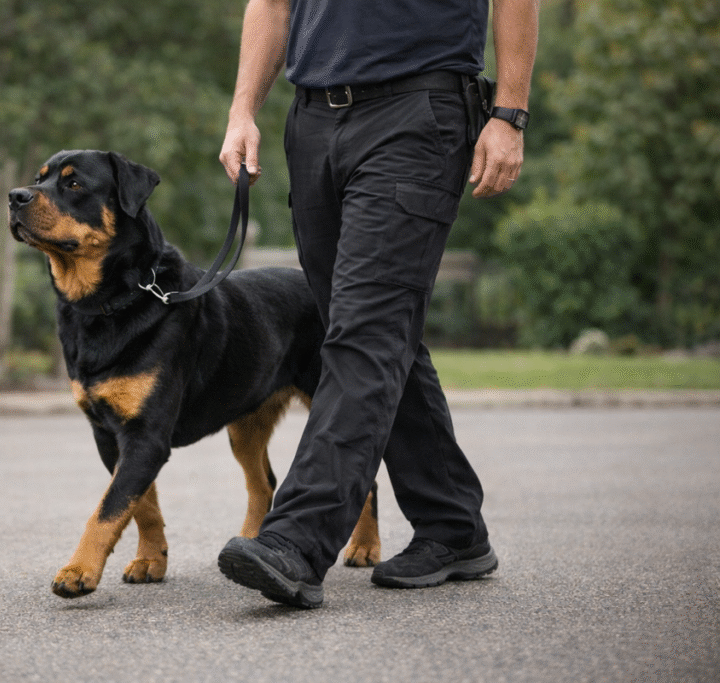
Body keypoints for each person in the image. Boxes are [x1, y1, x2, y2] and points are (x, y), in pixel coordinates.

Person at [216, 0, 539, 608]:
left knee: (364, 334)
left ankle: (297, 539)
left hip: (417, 114)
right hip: (312, 118)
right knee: (376, 332)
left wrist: (510, 115)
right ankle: (453, 527)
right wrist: (242, 111)